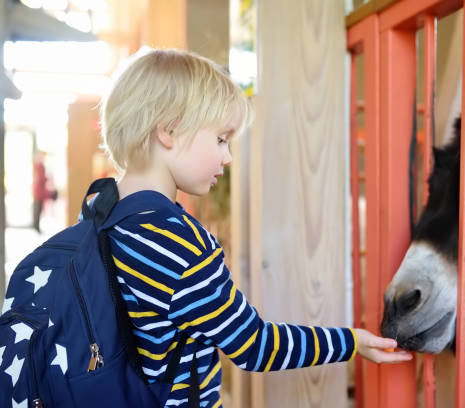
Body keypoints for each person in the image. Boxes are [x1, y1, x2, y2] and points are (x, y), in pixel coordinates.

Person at [101, 49, 412, 408]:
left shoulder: (97, 217)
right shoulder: (180, 246)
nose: (227, 157)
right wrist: (352, 341)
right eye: (221, 139)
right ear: (168, 130)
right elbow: (255, 346)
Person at [32, 150, 57, 233]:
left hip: (37, 191)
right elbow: (41, 178)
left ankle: (36, 226)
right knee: (38, 210)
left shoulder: (36, 165)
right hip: (39, 192)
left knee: (37, 210)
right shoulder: (40, 166)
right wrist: (47, 178)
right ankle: (36, 227)